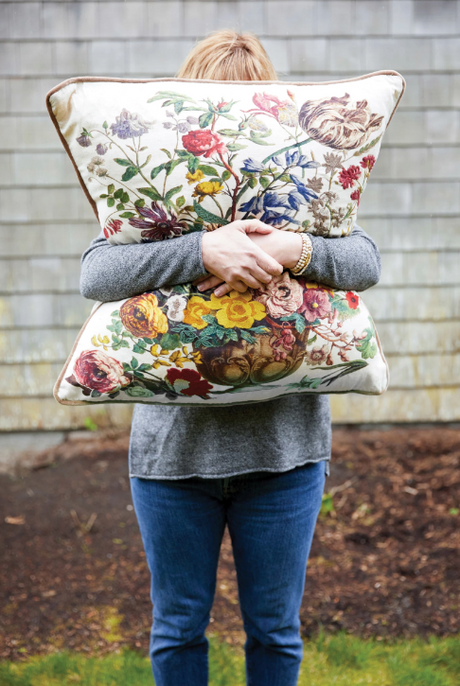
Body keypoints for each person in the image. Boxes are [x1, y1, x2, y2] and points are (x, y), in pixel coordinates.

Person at [80, 30, 381, 686]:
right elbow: (96, 273)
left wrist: (296, 249)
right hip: (171, 462)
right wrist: (202, 250)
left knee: (274, 632)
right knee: (178, 628)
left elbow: (365, 260)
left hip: (286, 454)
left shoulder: (304, 182)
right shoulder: (157, 188)